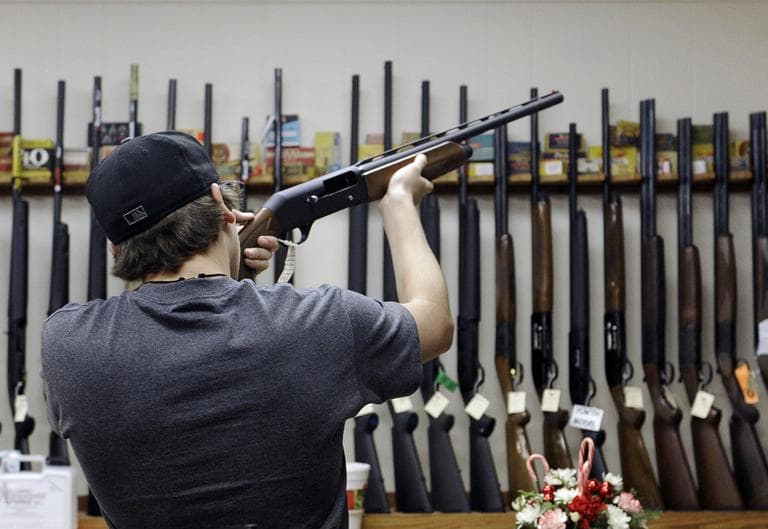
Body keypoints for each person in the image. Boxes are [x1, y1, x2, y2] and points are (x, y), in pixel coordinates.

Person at [41, 131, 453, 529]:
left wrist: (229, 278)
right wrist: (398, 203)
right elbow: (434, 323)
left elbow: (187, 353)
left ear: (115, 247)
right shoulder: (319, 323)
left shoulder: (67, 345)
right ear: (222, 203)